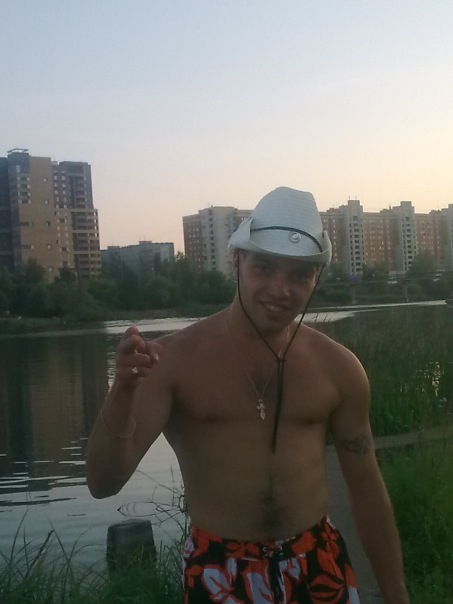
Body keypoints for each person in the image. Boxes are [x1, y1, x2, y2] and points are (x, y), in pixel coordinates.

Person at [86, 186, 409, 604]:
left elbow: (366, 488)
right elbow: (103, 483)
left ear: (317, 278)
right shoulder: (172, 361)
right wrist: (123, 392)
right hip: (219, 570)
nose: (280, 289)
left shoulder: (339, 369)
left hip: (318, 563)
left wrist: (396, 593)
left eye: (299, 274)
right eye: (265, 267)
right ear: (237, 262)